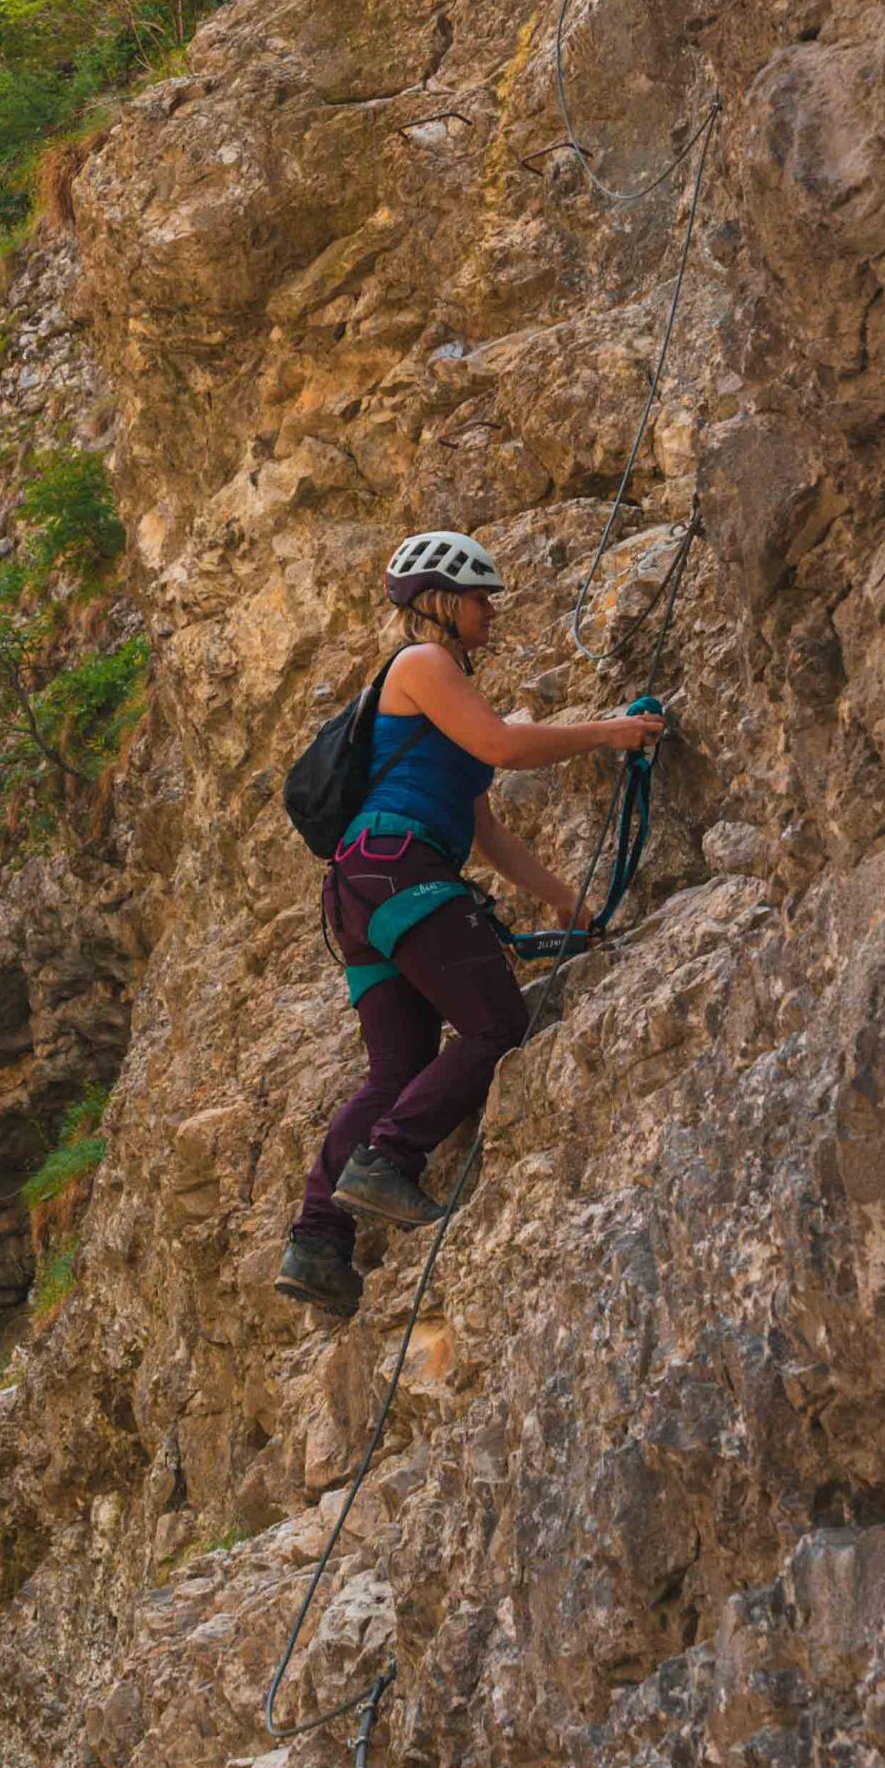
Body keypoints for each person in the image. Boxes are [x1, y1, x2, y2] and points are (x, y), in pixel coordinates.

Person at [275, 530, 665, 1320]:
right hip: (400, 868)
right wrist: (610, 731)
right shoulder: (424, 665)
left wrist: (567, 902)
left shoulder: (425, 699)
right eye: (481, 598)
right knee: (498, 1023)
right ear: (443, 602)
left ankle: (317, 1241)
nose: (491, 612)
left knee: (396, 1068)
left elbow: (485, 830)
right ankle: (389, 1157)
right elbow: (504, 745)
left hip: (364, 887)